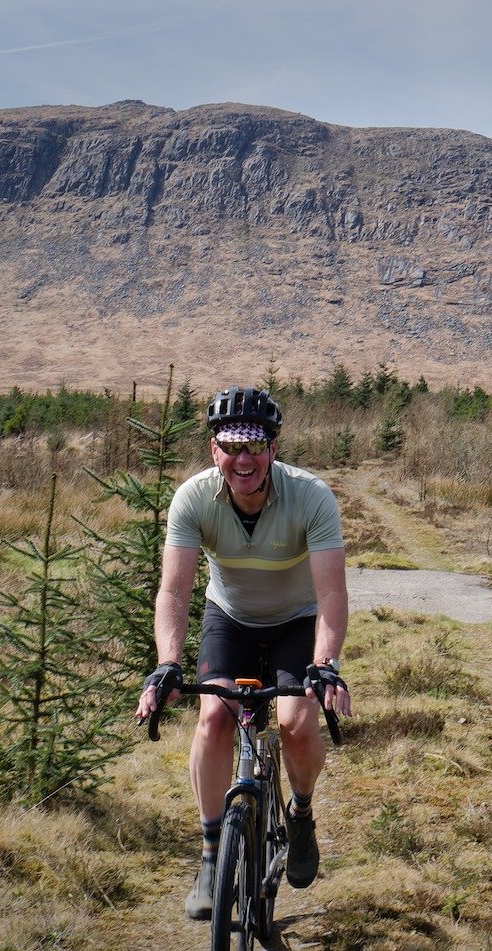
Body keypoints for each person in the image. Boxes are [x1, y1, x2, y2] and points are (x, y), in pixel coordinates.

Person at [134, 385, 351, 920]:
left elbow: (331, 594)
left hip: (295, 621)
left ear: (273, 448)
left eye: (254, 445)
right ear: (215, 450)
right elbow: (173, 592)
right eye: (231, 446)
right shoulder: (193, 498)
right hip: (228, 619)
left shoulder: (311, 496)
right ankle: (212, 855)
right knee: (213, 718)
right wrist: (167, 663)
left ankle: (301, 813)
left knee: (297, 724)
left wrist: (325, 665)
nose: (243, 459)